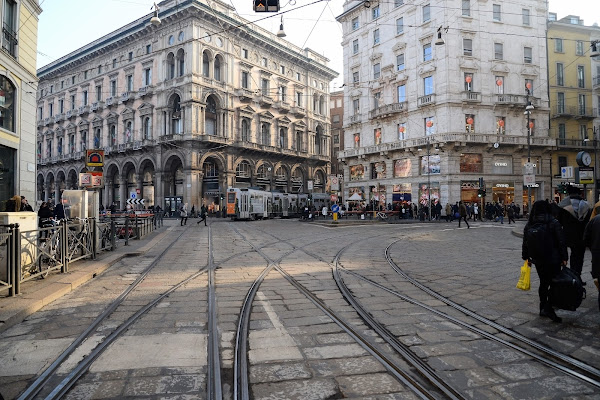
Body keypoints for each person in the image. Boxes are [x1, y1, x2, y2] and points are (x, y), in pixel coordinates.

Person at [522, 200, 568, 322]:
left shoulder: (530, 223)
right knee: (553, 283)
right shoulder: (553, 222)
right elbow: (561, 241)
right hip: (553, 259)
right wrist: (564, 257)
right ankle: (549, 308)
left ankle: (543, 307)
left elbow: (525, 242)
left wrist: (526, 257)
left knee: (543, 283)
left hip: (538, 259)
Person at [554, 185, 591, 282]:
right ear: (580, 194)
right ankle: (577, 277)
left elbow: (559, 222)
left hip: (567, 236)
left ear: (569, 194)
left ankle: (569, 277)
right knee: (579, 257)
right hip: (581, 236)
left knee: (567, 256)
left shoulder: (563, 206)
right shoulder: (586, 205)